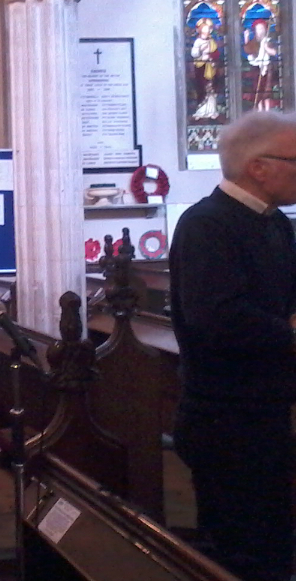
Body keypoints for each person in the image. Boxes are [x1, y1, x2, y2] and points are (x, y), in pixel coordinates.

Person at [169, 110, 296, 581]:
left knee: (274, 542)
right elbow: (218, 320)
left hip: (267, 409)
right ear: (258, 167)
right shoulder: (207, 225)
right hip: (225, 416)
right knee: (239, 551)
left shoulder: (276, 224)